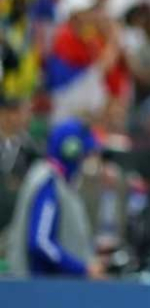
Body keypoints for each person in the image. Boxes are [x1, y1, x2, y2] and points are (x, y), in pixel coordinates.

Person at [6, 118, 105, 279]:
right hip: (40, 289)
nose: (85, 160)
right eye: (85, 154)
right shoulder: (48, 183)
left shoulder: (59, 183)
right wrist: (82, 269)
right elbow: (41, 243)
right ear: (70, 151)